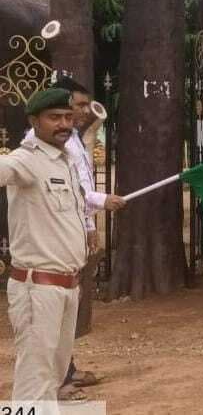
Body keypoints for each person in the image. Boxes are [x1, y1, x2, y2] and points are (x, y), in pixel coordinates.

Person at [22, 76, 125, 401]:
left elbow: (76, 187)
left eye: (76, 111)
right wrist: (102, 201)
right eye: (71, 108)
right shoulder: (33, 153)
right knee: (44, 337)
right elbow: (74, 192)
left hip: (70, 244)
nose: (77, 114)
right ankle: (58, 385)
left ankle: (65, 371)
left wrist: (90, 226)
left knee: (68, 318)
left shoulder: (71, 143)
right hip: (43, 262)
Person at [1, 89, 92, 403]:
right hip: (37, 288)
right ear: (33, 121)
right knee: (35, 379)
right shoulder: (26, 160)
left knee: (53, 376)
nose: (63, 123)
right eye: (54, 118)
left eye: (67, 117)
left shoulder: (64, 159)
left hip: (67, 286)